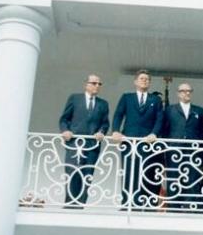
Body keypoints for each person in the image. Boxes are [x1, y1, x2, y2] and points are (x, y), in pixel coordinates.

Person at [112, 69, 164, 209]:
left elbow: (159, 119)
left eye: (147, 79)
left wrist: (154, 133)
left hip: (147, 142)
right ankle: (127, 203)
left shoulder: (156, 99)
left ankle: (144, 204)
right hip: (129, 141)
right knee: (129, 172)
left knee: (146, 172)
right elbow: (118, 115)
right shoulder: (127, 97)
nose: (144, 80)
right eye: (141, 78)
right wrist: (116, 131)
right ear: (135, 81)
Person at [59, 74, 109, 207]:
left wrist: (101, 132)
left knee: (87, 175)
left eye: (99, 84)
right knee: (72, 173)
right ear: (86, 84)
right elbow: (64, 119)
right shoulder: (75, 99)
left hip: (92, 145)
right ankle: (69, 205)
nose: (97, 86)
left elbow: (105, 123)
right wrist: (65, 131)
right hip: (75, 143)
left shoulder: (103, 104)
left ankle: (80, 205)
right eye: (94, 83)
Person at [163, 83, 203, 211]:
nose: (186, 93)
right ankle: (173, 208)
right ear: (178, 93)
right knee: (173, 178)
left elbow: (202, 132)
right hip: (174, 150)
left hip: (193, 150)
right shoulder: (170, 110)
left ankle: (190, 208)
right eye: (183, 91)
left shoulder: (199, 110)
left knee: (192, 178)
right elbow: (166, 130)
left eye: (189, 91)